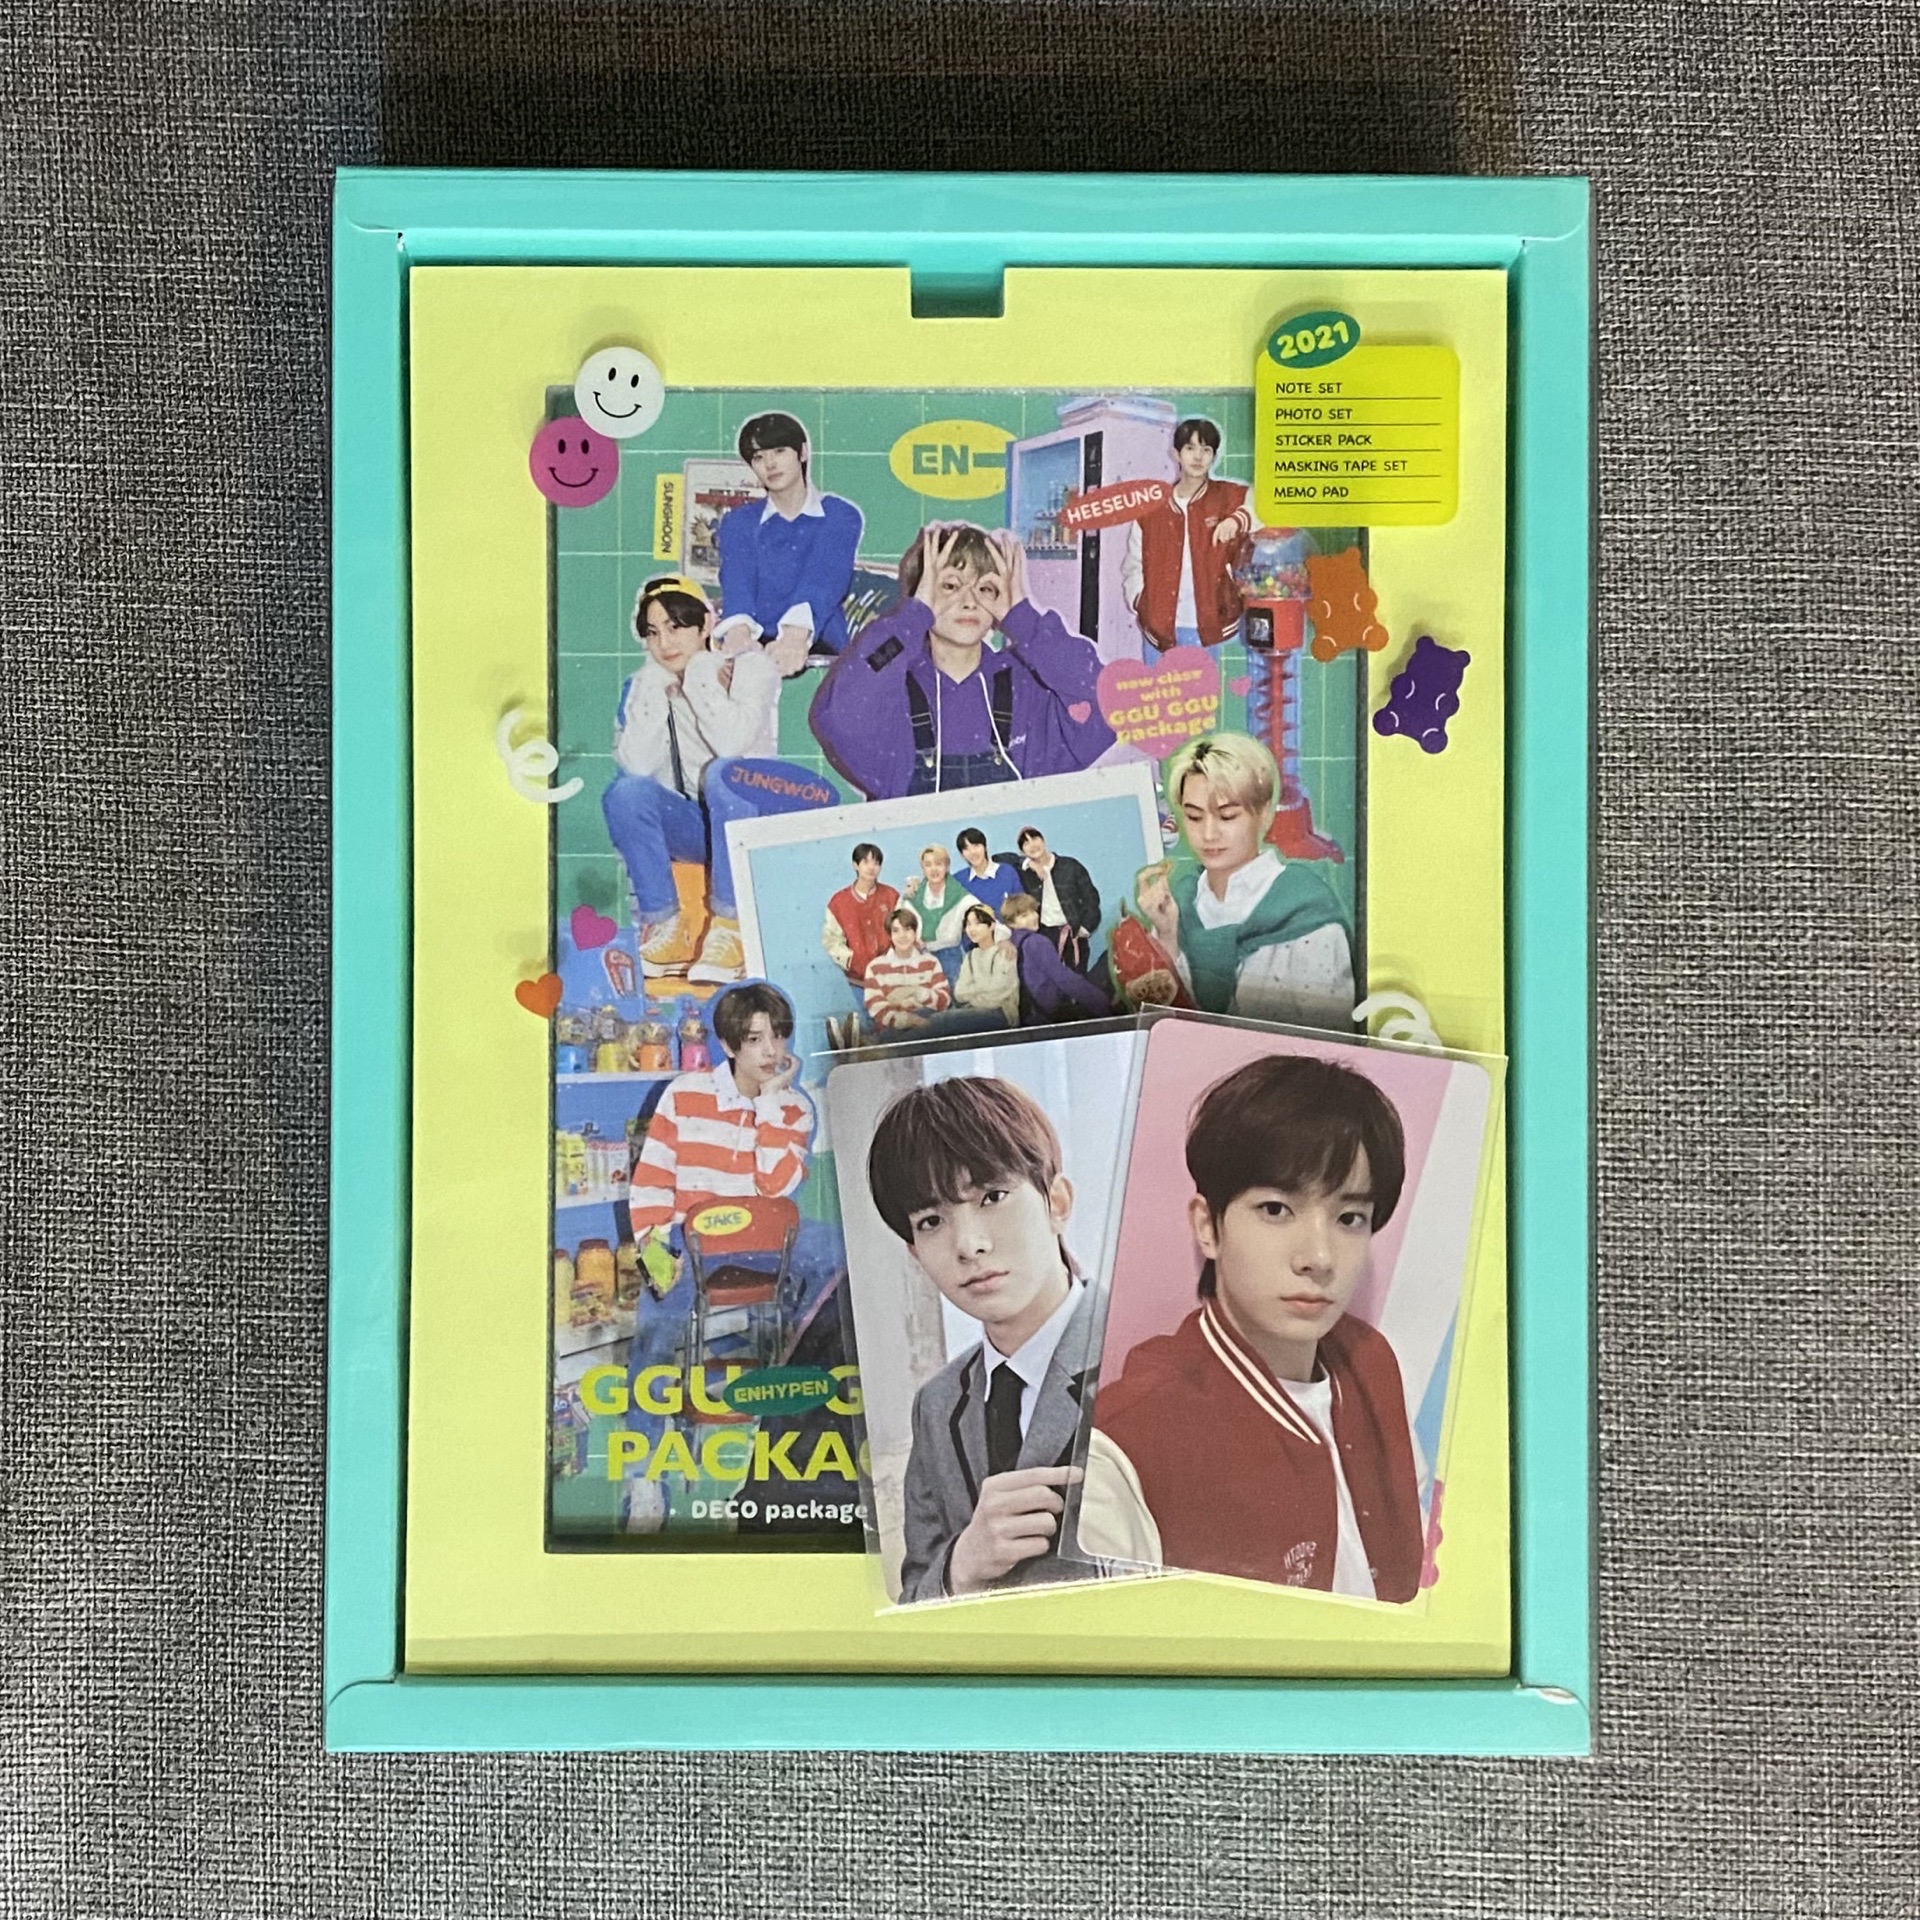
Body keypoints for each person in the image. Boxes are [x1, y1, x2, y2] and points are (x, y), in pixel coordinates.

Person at [1089, 1053, 1423, 1599]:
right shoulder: (1125, 1443)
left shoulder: (1373, 1361)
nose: (1319, 1257)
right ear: (1208, 1227)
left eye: (1349, 1218)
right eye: (1275, 1209)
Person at [866, 1076, 1097, 1599]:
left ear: (1057, 1203)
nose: (968, 1245)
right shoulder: (937, 1405)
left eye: (992, 1197)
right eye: (932, 1221)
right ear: (915, 1254)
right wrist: (961, 1567)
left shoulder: (1153, 1362)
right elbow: (914, 1602)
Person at [809, 523, 1114, 799]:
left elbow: (1108, 708)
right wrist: (913, 616)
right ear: (920, 594)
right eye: (951, 586)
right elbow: (841, 713)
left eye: (985, 588)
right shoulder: (893, 689)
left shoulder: (1027, 686)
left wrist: (1023, 618)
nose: (969, 601)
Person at [601, 575, 780, 985]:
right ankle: (668, 927)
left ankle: (732, 928)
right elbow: (637, 766)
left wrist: (700, 675)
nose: (665, 643)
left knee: (721, 774)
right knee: (626, 793)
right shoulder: (649, 683)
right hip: (698, 826)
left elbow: (732, 745)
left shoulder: (749, 669)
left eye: (675, 626)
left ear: (705, 624)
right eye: (653, 632)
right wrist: (651, 687)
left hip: (755, 818)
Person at [1137, 731, 1354, 1031]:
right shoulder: (1176, 907)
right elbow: (1157, 1030)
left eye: (1227, 816)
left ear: (1263, 813)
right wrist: (1167, 938)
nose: (1209, 834)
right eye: (1194, 817)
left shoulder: (1306, 909)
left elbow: (1330, 1040)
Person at [713, 411, 864, 666]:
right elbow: (738, 585)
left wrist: (795, 637)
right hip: (754, 645)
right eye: (759, 457)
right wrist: (738, 635)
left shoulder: (839, 514)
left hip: (820, 645)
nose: (770, 464)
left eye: (779, 451)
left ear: (802, 453)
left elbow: (823, 580)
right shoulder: (738, 522)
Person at [1121, 416, 1253, 653]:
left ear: (1214, 456)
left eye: (1206, 450)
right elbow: (1134, 564)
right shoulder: (1151, 510)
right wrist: (1139, 601)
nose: (1198, 457)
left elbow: (1267, 502)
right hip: (1159, 629)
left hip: (1211, 627)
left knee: (1204, 679)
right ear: (1176, 454)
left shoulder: (1226, 496)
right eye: (1190, 448)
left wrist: (1237, 519)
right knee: (1157, 680)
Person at [1000, 893, 1110, 1025]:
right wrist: (1098, 999)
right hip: (1050, 1013)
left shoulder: (1012, 943)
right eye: (1024, 916)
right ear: (1011, 923)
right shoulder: (1036, 942)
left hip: (1027, 1013)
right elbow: (1062, 977)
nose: (1033, 917)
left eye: (1033, 911)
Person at [1013, 826, 1100, 974]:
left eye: (1034, 838)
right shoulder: (1025, 873)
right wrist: (1030, 864)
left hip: (1073, 933)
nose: (1032, 845)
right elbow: (1001, 858)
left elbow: (1091, 897)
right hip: (1044, 936)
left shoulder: (1070, 866)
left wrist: (1086, 927)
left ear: (1043, 840)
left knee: (1078, 980)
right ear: (1022, 851)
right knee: (1050, 980)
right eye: (1026, 843)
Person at [822, 842, 899, 991]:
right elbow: (831, 940)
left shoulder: (891, 896)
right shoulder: (838, 903)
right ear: (855, 865)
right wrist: (851, 961)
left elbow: (904, 929)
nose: (871, 867)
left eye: (876, 863)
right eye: (866, 862)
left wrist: (894, 958)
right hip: (858, 982)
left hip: (893, 977)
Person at [899, 843, 980, 980]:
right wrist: (912, 940)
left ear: (947, 866)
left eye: (938, 864)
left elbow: (985, 919)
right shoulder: (912, 897)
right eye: (928, 865)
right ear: (923, 868)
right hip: (918, 958)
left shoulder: (961, 897)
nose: (933, 869)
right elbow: (898, 924)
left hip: (951, 960)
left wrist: (1002, 940)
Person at [861, 909, 952, 1032]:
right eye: (896, 931)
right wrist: (906, 1020)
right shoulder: (875, 967)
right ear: (890, 936)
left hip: (928, 1024)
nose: (902, 936)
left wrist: (918, 992)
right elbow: (875, 1007)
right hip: (893, 1029)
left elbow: (944, 1000)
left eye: (907, 929)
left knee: (959, 1019)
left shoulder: (931, 962)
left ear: (915, 933)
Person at [952, 904, 1019, 1028]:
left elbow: (999, 989)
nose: (972, 929)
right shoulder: (970, 956)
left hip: (1002, 1013)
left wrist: (974, 995)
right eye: (968, 924)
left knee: (947, 1021)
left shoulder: (1004, 951)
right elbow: (959, 992)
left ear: (992, 926)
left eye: (978, 923)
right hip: (974, 1010)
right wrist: (983, 989)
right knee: (936, 1018)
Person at [953, 827, 1026, 914]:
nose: (972, 852)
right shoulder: (958, 881)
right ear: (962, 855)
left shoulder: (1007, 872)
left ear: (985, 847)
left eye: (976, 846)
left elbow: (1022, 907)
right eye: (966, 849)